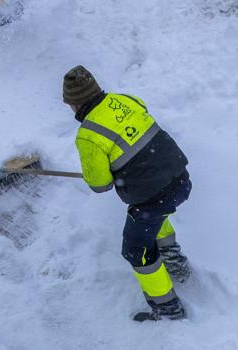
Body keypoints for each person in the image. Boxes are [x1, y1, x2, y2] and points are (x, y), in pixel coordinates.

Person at [63, 65, 193, 323]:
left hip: (154, 194)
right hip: (179, 178)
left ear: (75, 104)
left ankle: (168, 308)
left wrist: (106, 170)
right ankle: (173, 259)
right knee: (154, 214)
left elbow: (100, 185)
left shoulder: (88, 136)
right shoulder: (125, 100)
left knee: (137, 250)